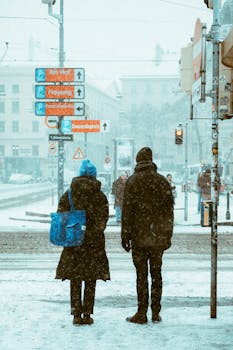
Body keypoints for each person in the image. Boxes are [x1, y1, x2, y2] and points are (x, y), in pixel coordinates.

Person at [121, 147, 174, 324]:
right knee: (157, 274)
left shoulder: (132, 182)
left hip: (138, 236)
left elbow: (126, 211)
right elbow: (169, 212)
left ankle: (141, 312)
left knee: (141, 275)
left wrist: (125, 236)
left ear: (138, 161)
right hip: (157, 236)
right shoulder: (161, 182)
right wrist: (168, 235)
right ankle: (156, 312)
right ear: (151, 161)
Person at [55, 159, 110, 326]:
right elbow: (104, 218)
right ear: (94, 175)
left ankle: (76, 313)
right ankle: (87, 313)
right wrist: (93, 229)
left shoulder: (70, 193)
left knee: (75, 277)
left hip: (74, 241)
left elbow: (61, 215)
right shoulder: (99, 195)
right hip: (93, 242)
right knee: (91, 277)